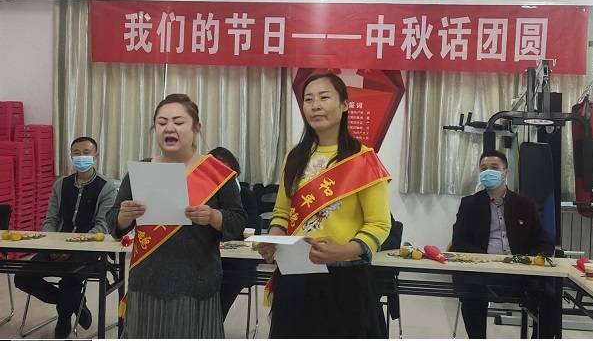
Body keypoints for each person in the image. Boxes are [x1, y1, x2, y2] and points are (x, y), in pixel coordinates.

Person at [258, 72, 392, 339]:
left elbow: (379, 224)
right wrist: (274, 239)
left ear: (345, 105)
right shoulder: (294, 156)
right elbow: (282, 212)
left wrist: (342, 251)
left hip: (345, 279)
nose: (315, 105)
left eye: (324, 97)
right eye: (308, 99)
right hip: (296, 273)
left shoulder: (363, 158)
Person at [106, 94, 247, 338]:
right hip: (147, 281)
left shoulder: (216, 173)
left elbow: (238, 222)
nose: (169, 128)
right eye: (162, 123)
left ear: (196, 128)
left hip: (197, 283)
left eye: (178, 122)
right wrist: (124, 216)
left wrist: (213, 216)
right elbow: (113, 222)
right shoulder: (141, 171)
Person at [14, 136, 117, 338]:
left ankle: (64, 319)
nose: (81, 157)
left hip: (88, 248)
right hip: (56, 245)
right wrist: (52, 244)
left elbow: (102, 226)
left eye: (86, 153)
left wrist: (72, 248)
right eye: (76, 153)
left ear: (96, 156)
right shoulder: (61, 185)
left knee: (70, 278)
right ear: (71, 156)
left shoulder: (107, 187)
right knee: (22, 277)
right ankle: (74, 303)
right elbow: (51, 219)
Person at [448, 149, 556, 339]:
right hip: (481, 270)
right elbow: (459, 241)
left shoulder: (525, 204)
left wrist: (523, 259)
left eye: (494, 167)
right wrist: (486, 259)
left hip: (519, 271)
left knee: (550, 297)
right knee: (471, 292)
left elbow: (544, 243)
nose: (487, 172)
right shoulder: (469, 204)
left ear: (505, 173)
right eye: (483, 168)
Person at [208, 146, 261, 320]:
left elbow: (252, 228)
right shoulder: (202, 194)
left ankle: (214, 325)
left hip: (237, 262)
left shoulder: (245, 195)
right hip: (207, 257)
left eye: (223, 165)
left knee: (221, 296)